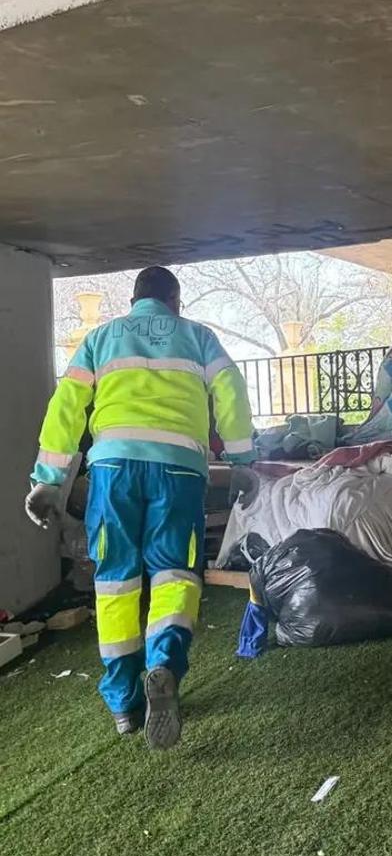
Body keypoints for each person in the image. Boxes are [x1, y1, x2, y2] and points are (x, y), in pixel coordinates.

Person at [25, 266, 255, 749]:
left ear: (133, 301)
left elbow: (66, 404)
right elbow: (230, 388)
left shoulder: (101, 338)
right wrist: (240, 459)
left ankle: (123, 704)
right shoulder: (197, 337)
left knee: (115, 584)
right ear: (175, 302)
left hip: (112, 475)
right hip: (179, 473)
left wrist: (47, 480)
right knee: (174, 575)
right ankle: (164, 664)